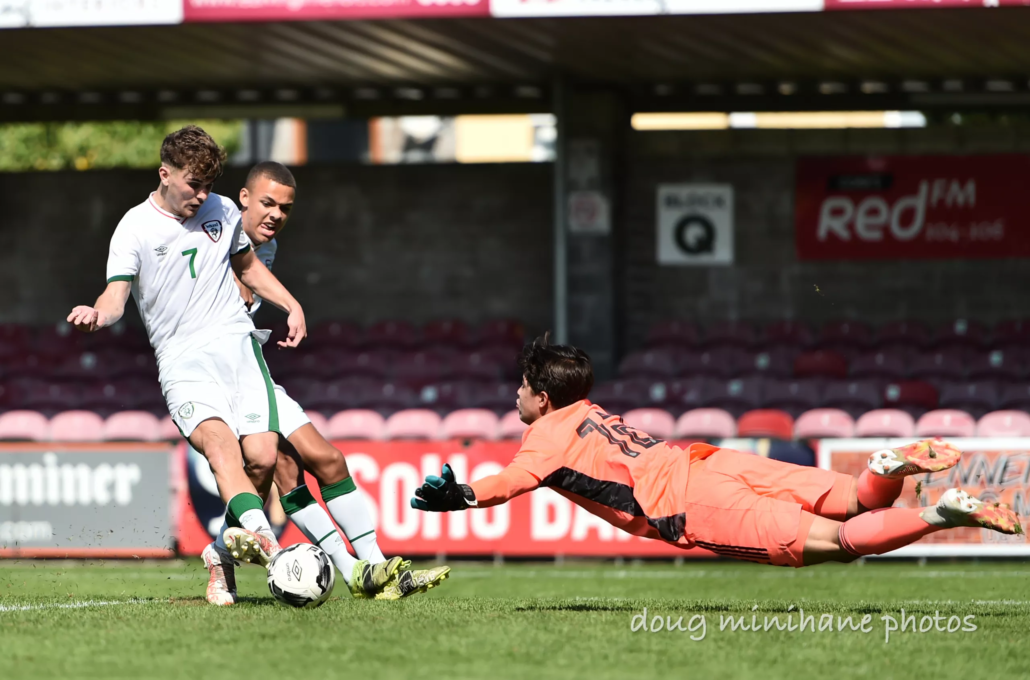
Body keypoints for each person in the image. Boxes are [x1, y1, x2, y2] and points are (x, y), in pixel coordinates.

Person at [411, 336, 1021, 567]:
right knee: (850, 499)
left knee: (836, 544)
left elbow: (512, 481)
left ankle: (947, 511)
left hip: (691, 500)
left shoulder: (544, 434)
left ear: (542, 397)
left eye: (521, 387)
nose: (514, 395)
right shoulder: (591, 411)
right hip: (710, 459)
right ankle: (884, 467)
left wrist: (461, 496)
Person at [199, 161, 449, 604]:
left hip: (252, 372)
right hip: (213, 381)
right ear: (242, 198)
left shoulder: (265, 251)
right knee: (272, 471)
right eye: (267, 203)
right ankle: (230, 555)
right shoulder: (208, 233)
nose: (276, 214)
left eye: (285, 208)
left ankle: (370, 567)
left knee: (328, 461)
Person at [67, 126, 303, 582]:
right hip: (183, 359)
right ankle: (272, 549)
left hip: (236, 346)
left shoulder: (223, 210)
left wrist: (291, 304)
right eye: (194, 184)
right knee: (218, 446)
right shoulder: (134, 228)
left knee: (263, 457)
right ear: (165, 174)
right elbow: (116, 298)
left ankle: (221, 554)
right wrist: (96, 314)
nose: (201, 196)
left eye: (209, 186)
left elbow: (248, 266)